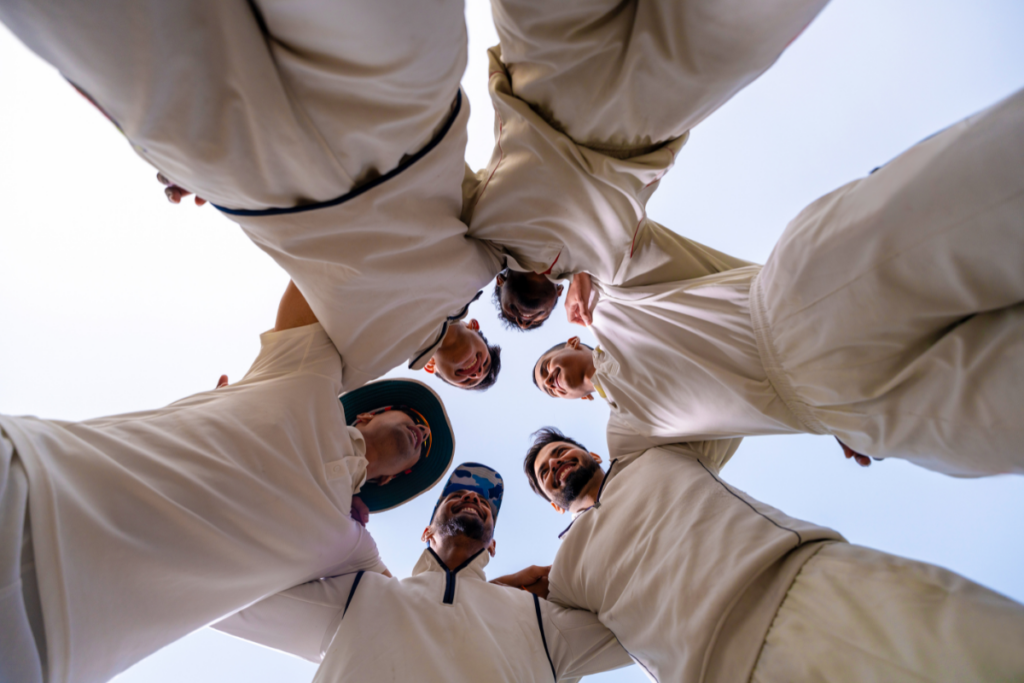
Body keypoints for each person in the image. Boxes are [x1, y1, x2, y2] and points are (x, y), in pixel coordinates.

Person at [0, 0, 505, 391]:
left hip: (262, 183)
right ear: (481, 328)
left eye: (469, 381)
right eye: (485, 365)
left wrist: (240, 396)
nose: (474, 370)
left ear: (437, 377)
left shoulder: (360, 365)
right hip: (405, 125)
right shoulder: (491, 261)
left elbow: (287, 361)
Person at [534, 88, 1024, 477]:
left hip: (796, 301)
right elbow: (649, 505)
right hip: (843, 414)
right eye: (548, 388)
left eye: (548, 365)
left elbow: (594, 213)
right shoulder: (631, 437)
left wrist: (581, 265)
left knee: (990, 198)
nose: (553, 380)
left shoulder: (608, 303)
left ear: (572, 341)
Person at [0, 280, 458, 683]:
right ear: (372, 411)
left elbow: (406, 620)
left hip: (50, 640)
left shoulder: (349, 545)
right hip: (27, 477)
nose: (422, 433)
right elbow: (328, 269)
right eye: (414, 417)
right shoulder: (306, 378)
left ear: (397, 477)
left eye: (424, 447)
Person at [519, 427, 1024, 682]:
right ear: (552, 505)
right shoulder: (566, 575)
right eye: (547, 473)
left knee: (981, 648)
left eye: (562, 451)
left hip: (809, 582)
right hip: (724, 671)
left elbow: (727, 389)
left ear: (591, 452)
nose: (558, 465)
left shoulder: (655, 452)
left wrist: (831, 409)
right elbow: (512, 638)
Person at [465, 0, 825, 328]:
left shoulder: (478, 222)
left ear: (498, 282)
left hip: (544, 71)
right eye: (536, 320)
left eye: (511, 314)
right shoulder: (613, 265)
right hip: (652, 114)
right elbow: (714, 283)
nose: (525, 317)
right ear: (559, 299)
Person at [214, 463, 633, 682]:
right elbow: (221, 594)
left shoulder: (543, 622)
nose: (473, 495)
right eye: (457, 494)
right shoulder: (360, 594)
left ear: (492, 545)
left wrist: (564, 586)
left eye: (487, 502)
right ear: (426, 531)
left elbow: (649, 619)